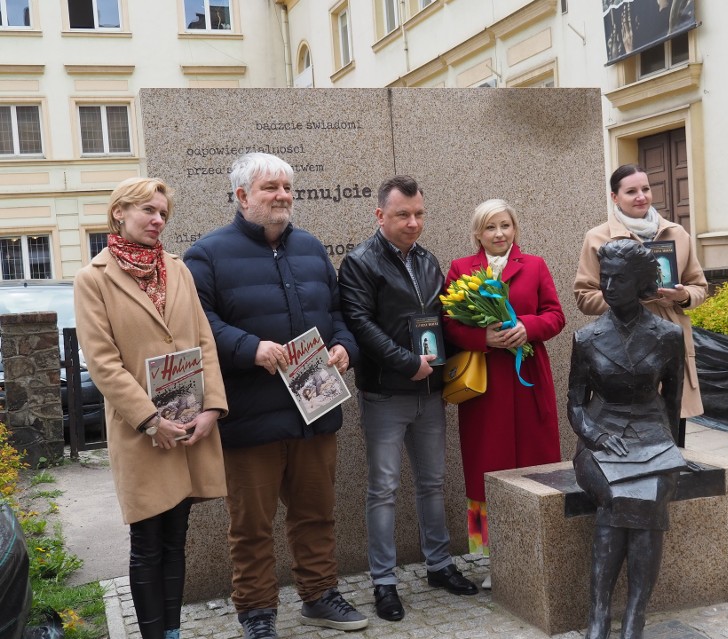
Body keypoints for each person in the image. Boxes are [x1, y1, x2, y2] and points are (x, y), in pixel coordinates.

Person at [183, 153, 367, 637]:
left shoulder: (309, 247)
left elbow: (338, 312)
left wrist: (344, 346)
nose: (283, 195)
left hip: (315, 409)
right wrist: (249, 348)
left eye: (287, 187)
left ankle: (320, 595)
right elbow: (199, 326)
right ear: (242, 196)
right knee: (251, 526)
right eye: (271, 188)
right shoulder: (207, 255)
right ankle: (257, 612)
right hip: (250, 416)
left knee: (316, 515)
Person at [74, 177, 228, 639]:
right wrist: (149, 420)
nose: (158, 220)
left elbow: (204, 341)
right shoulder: (93, 279)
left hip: (187, 424)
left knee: (176, 537)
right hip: (140, 431)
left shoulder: (177, 269)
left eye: (163, 212)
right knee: (147, 541)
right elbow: (104, 364)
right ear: (119, 212)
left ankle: (174, 631)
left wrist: (212, 409)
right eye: (148, 210)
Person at [338, 175, 478, 623]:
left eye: (419, 214)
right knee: (383, 489)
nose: (413, 222)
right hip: (385, 391)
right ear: (380, 214)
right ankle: (383, 581)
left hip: (430, 391)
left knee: (433, 483)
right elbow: (359, 322)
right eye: (403, 215)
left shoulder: (428, 260)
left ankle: (438, 565)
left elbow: (440, 317)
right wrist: (405, 361)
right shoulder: (360, 262)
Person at [568, 239, 688, 639]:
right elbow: (575, 407)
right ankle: (599, 614)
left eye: (620, 278)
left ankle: (634, 616)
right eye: (605, 278)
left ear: (641, 284)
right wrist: (596, 436)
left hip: (653, 437)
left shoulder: (668, 336)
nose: (609, 286)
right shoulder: (586, 339)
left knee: (651, 493)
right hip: (602, 437)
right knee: (619, 495)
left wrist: (668, 452)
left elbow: (671, 402)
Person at [442, 199, 565, 589]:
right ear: (478, 233)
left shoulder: (536, 266)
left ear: (515, 229)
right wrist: (483, 337)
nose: (499, 234)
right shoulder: (462, 270)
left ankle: (542, 553)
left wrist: (527, 328)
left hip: (528, 379)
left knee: (536, 463)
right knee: (487, 467)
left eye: (505, 226)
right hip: (486, 387)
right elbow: (448, 325)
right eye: (491, 228)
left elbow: (555, 315)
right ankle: (497, 563)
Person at [574, 164, 708, 447]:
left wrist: (682, 296)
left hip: (668, 342)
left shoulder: (677, 234)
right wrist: (627, 297)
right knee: (630, 444)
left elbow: (700, 287)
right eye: (631, 191)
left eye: (645, 189)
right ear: (614, 197)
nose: (641, 196)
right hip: (623, 350)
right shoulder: (597, 238)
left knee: (673, 435)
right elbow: (585, 297)